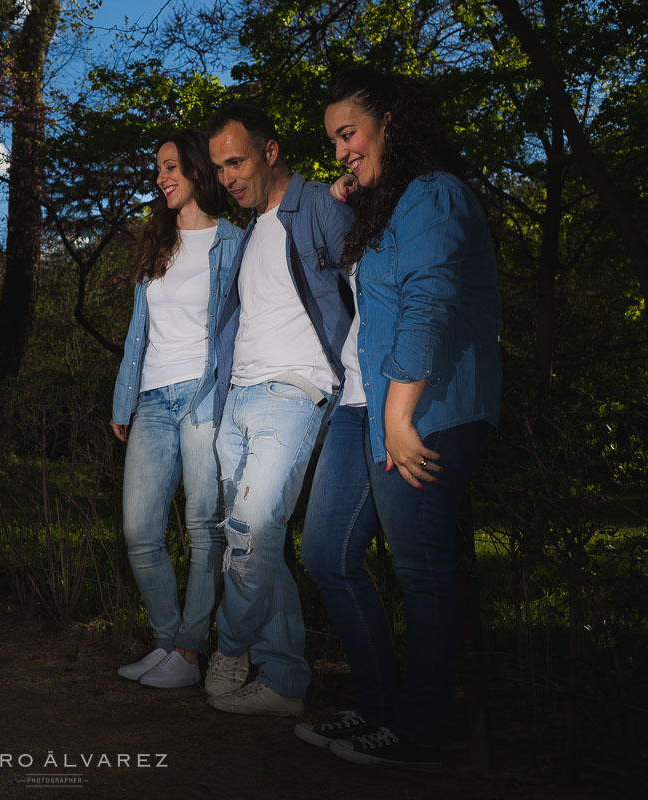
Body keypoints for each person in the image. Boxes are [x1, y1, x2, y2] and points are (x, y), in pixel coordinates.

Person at [294, 68, 501, 768]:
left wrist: (402, 415)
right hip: (363, 403)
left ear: (392, 123)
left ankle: (419, 731)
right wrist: (341, 197)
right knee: (325, 554)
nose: (341, 150)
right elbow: (346, 283)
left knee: (420, 565)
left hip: (423, 406)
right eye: (333, 141)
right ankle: (377, 708)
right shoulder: (388, 206)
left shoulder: (435, 195)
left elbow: (429, 304)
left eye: (347, 134)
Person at [201, 104, 354, 717]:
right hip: (237, 399)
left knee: (251, 532)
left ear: (270, 150)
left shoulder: (318, 205)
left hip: (296, 393)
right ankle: (285, 678)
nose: (228, 177)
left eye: (236, 161)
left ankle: (231, 647)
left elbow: (370, 280)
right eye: (218, 168)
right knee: (259, 547)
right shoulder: (247, 234)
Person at [111, 130, 242, 688]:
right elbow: (138, 333)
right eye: (157, 168)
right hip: (152, 400)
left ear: (194, 170)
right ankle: (166, 643)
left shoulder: (234, 240)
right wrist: (124, 398)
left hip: (203, 394)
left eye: (170, 166)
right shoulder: (156, 244)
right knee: (140, 530)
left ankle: (190, 652)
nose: (161, 177)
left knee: (202, 528)